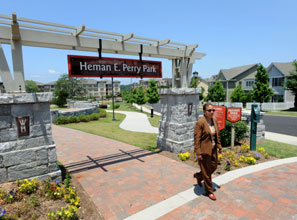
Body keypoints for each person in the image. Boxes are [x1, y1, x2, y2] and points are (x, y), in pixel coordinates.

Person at [193, 103, 222, 200]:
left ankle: (199, 176)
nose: (212, 112)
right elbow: (197, 139)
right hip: (204, 150)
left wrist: (219, 145)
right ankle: (209, 191)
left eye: (213, 110)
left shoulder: (214, 120)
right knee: (207, 172)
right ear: (204, 112)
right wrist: (198, 152)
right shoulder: (200, 122)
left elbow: (217, 134)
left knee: (214, 166)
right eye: (209, 110)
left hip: (213, 149)